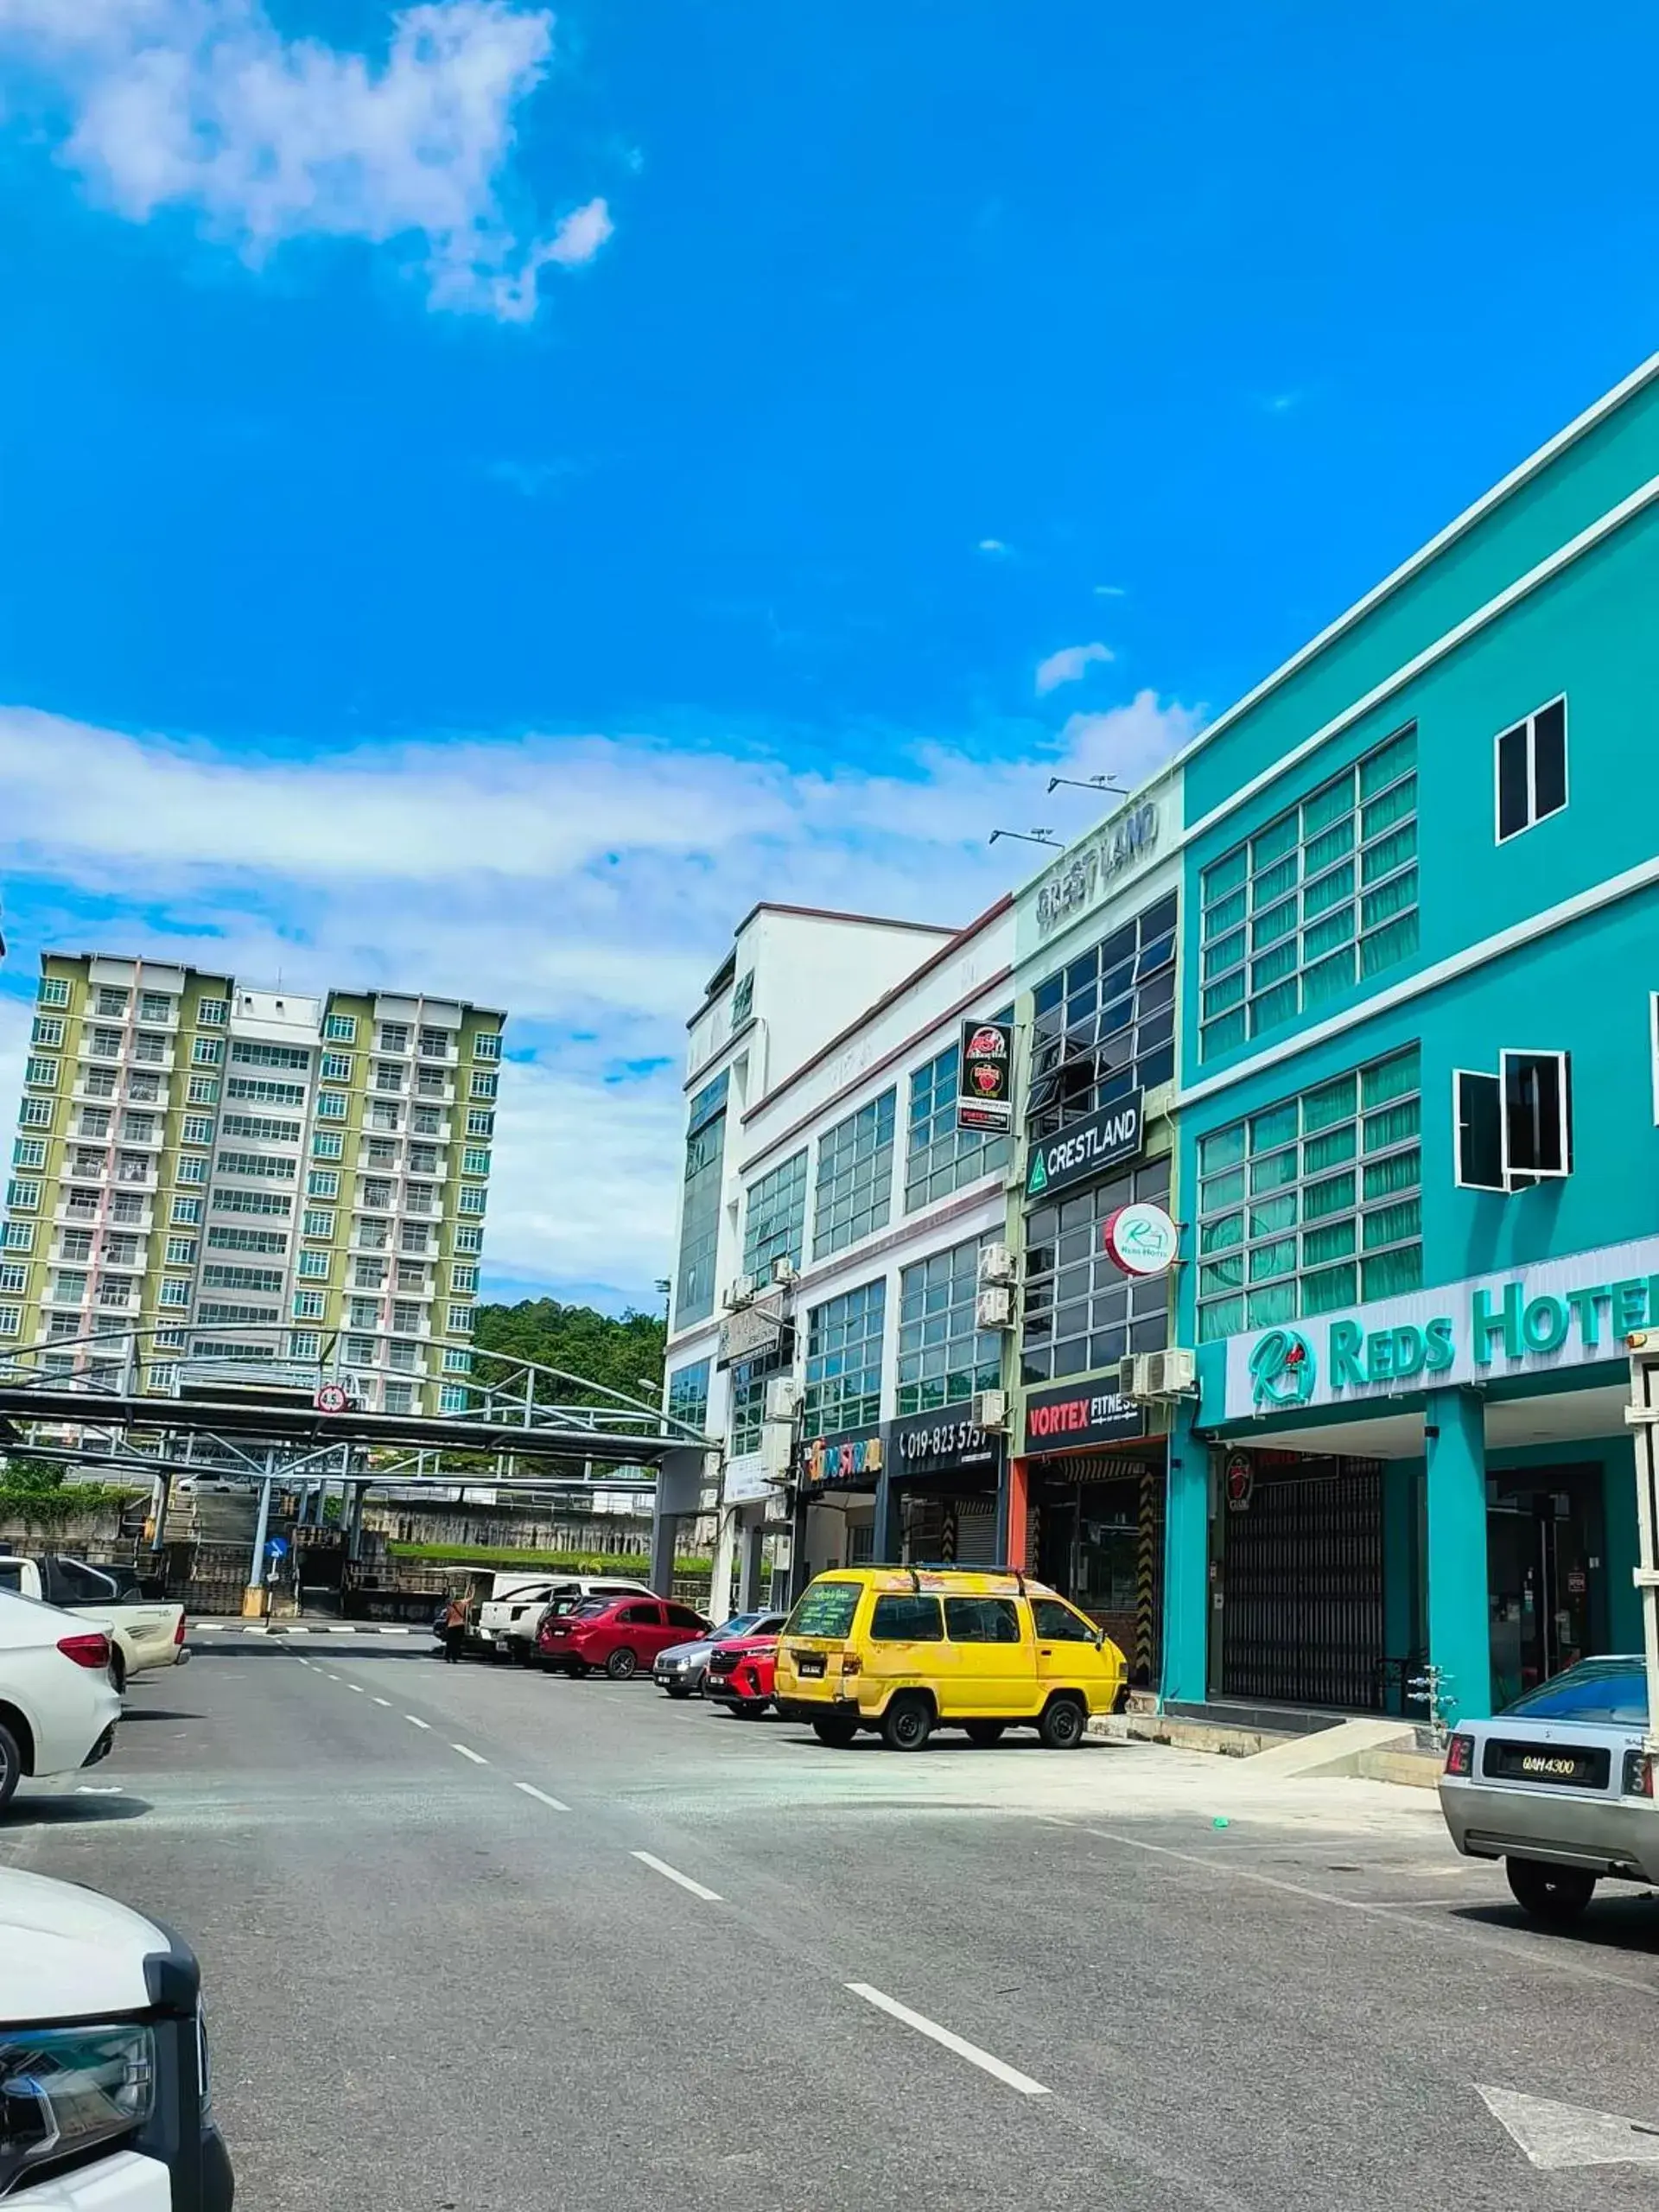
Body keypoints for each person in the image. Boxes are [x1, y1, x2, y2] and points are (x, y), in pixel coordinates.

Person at [440, 1592, 467, 1663]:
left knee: (450, 1643)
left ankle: (447, 1657)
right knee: (457, 1643)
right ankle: (454, 1658)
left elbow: (448, 1617)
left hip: (451, 1626)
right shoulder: (462, 1604)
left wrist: (445, 1625)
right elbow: (470, 1599)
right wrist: (473, 1590)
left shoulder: (450, 1607)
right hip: (460, 1625)